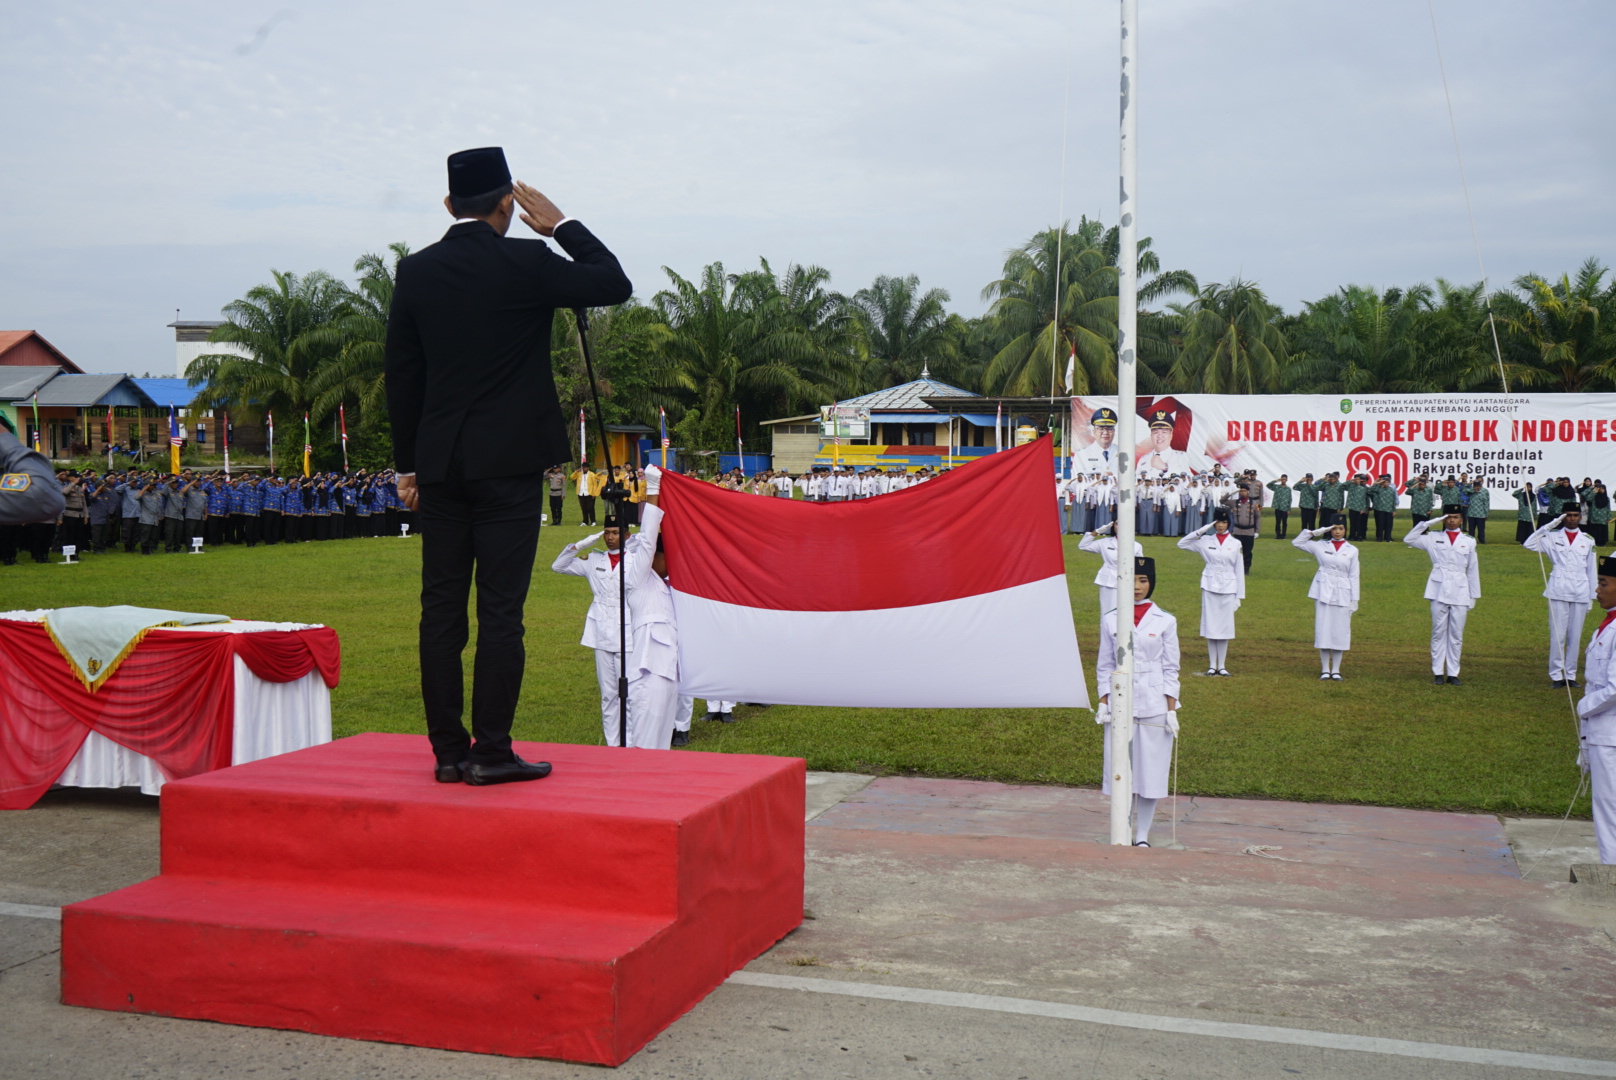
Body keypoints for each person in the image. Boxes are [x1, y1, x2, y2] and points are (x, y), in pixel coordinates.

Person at [385, 145, 632, 784]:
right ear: (507, 203)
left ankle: (447, 754)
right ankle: (490, 752)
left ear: (449, 204)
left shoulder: (415, 271)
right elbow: (613, 282)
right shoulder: (528, 260)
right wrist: (560, 225)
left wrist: (408, 467)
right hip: (510, 464)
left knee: (440, 610)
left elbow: (403, 377)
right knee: (500, 612)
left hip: (440, 467)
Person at [1095, 556, 1180, 848]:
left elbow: (1171, 668)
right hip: (1122, 700)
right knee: (1123, 768)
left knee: (1151, 771)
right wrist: (1104, 702)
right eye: (1131, 580)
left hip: (1155, 702)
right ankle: (1123, 829)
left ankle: (1142, 834)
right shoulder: (1111, 618)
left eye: (1143, 580)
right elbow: (1105, 665)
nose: (1137, 587)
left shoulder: (1165, 620)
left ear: (1151, 583)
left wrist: (1171, 709)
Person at [1404, 504, 1481, 685]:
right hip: (1438, 589)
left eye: (1455, 517)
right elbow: (1409, 539)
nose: (1452, 520)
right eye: (1448, 517)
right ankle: (1438, 671)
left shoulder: (1469, 541)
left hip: (1460, 590)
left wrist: (1473, 596)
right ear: (1443, 518)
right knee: (1438, 632)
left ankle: (1453, 673)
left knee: (1456, 634)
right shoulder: (1433, 537)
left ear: (1461, 519)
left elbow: (1472, 569)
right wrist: (1430, 522)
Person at [1525, 508, 1598, 688]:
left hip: (1580, 590)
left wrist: (1591, 598)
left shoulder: (1588, 540)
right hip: (1558, 589)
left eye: (1575, 515)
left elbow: (1591, 569)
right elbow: (1529, 543)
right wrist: (1550, 525)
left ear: (1580, 517)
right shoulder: (1552, 537)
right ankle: (1556, 674)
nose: (1572, 519)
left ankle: (1570, 674)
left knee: (1575, 635)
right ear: (1563, 517)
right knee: (1557, 635)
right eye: (1568, 515)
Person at [1576, 555, 1616, 864]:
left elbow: (1613, 689)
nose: (1597, 590)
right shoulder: (1607, 625)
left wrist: (1582, 707)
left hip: (1610, 734)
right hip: (1600, 732)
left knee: (1608, 811)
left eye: (1604, 583)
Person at [1177, 510, 1245, 676]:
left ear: (1228, 523)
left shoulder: (1236, 543)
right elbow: (1182, 543)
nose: (1220, 526)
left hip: (1228, 587)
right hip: (1210, 585)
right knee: (1211, 627)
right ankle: (1212, 665)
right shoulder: (1205, 540)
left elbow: (1239, 570)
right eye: (1217, 522)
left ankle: (1222, 665)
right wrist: (1203, 529)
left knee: (1225, 628)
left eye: (1224, 522)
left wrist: (1239, 596)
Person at [1293, 522, 1360, 680]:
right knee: (1323, 630)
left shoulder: (1352, 549)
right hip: (1323, 591)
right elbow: (1297, 542)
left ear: (1346, 530)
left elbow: (1354, 576)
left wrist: (1355, 599)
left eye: (1341, 528)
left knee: (1340, 631)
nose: (1337, 532)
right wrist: (1318, 531)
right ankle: (1325, 669)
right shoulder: (1320, 545)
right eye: (1334, 528)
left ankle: (1336, 670)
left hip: (1343, 592)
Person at [1077, 521, 1144, 623]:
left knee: (1127, 612)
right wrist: (1097, 531)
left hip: (1128, 580)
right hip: (1109, 580)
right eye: (1117, 523)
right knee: (1108, 611)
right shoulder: (1105, 542)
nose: (1120, 526)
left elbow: (1140, 566)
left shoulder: (1136, 545)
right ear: (1113, 526)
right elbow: (1083, 546)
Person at [1220, 486, 1260, 573]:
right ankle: (1237, 568)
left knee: (1248, 551)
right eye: (1241, 491)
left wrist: (1257, 531)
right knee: (1237, 551)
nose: (1242, 493)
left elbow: (1258, 518)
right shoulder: (1234, 502)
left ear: (1248, 492)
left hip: (1249, 531)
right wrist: (1231, 493)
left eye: (1244, 491)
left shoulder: (1254, 503)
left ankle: (1246, 569)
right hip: (1238, 530)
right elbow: (1222, 501)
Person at [1072, 408, 1120, 474]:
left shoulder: (1123, 453)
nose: (1105, 432)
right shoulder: (1082, 455)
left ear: (1114, 431)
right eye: (1101, 428)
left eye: (1109, 428)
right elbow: (1078, 479)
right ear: (1094, 432)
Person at [1370, 474, 1397, 542]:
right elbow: (1372, 489)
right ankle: (1379, 537)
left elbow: (1393, 500)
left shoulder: (1391, 490)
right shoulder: (1379, 489)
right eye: (1385, 482)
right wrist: (1377, 483)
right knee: (1380, 524)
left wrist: (1394, 510)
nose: (1386, 483)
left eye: (1387, 482)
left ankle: (1388, 537)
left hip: (1389, 509)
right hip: (1380, 509)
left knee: (1389, 524)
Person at [1266, 474, 1292, 539]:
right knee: (1278, 522)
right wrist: (1276, 480)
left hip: (1285, 508)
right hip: (1278, 507)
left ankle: (1283, 535)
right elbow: (1268, 485)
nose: (1283, 480)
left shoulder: (1288, 489)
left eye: (1285, 479)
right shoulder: (1277, 487)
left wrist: (1289, 509)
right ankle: (1278, 535)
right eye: (1282, 479)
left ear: (1286, 480)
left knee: (1284, 522)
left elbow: (1290, 499)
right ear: (1281, 479)